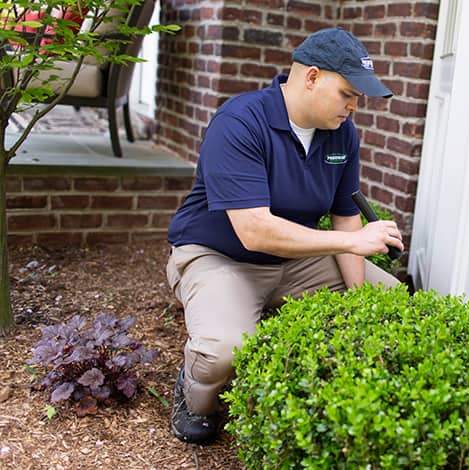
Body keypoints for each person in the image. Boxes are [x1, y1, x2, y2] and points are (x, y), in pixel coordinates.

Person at [165, 27, 404, 445]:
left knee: (392, 303)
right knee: (225, 351)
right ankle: (191, 390)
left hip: (295, 260)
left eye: (358, 98)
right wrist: (350, 242)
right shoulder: (240, 121)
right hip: (220, 257)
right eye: (347, 93)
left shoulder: (341, 133)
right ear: (311, 77)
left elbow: (346, 218)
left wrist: (358, 302)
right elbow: (254, 230)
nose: (353, 107)